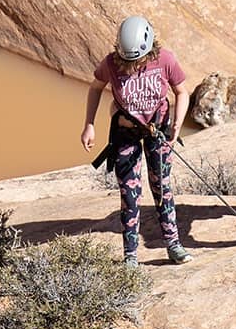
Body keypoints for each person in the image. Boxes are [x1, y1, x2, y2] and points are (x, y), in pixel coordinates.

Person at [81, 16, 192, 268]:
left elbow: (182, 91)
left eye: (137, 60)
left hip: (158, 131)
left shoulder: (165, 59)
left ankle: (173, 245)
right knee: (129, 194)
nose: (132, 66)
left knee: (162, 188)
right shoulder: (111, 63)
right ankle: (130, 255)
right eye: (127, 61)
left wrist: (177, 123)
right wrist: (89, 124)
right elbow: (95, 87)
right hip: (126, 133)